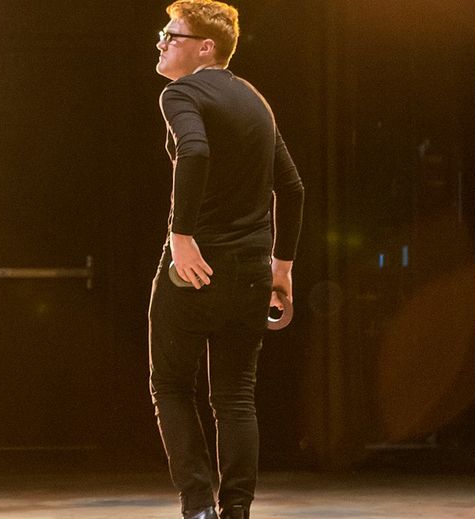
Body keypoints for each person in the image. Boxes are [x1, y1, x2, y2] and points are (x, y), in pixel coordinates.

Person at [148, 2, 305, 518]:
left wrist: (182, 233)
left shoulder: (181, 92)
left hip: (197, 267)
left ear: (205, 47)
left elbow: (194, 151)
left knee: (171, 387)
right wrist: (280, 268)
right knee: (235, 397)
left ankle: (198, 509)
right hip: (250, 272)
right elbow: (293, 187)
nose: (163, 42)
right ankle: (235, 512)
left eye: (172, 35)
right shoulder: (255, 101)